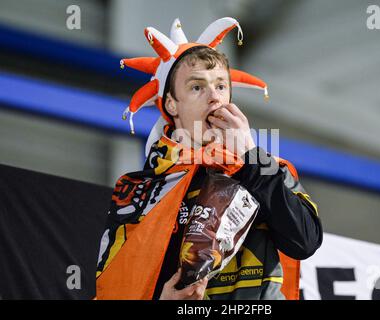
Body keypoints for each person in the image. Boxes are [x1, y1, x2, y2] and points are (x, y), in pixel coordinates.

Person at [95, 17, 322, 300]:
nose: (214, 98)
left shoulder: (267, 168)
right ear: (170, 104)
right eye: (197, 87)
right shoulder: (138, 191)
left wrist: (250, 156)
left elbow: (305, 241)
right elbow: (115, 288)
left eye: (221, 86)